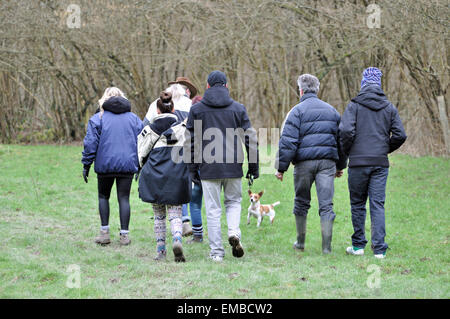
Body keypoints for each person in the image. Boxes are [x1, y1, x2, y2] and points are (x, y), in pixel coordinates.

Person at [186, 70, 259, 262]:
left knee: (212, 209)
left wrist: (192, 169)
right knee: (233, 202)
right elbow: (251, 138)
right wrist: (254, 167)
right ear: (226, 86)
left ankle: (217, 253)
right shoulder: (238, 108)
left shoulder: (197, 110)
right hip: (233, 166)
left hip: (208, 167)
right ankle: (234, 233)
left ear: (207, 87)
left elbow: (190, 142)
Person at [339, 67, 407, 259]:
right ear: (379, 84)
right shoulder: (389, 107)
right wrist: (384, 149)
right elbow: (400, 135)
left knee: (357, 203)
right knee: (377, 204)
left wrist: (349, 151)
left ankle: (358, 246)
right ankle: (379, 250)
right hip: (379, 163)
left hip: (358, 163)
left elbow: (345, 131)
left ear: (363, 84)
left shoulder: (354, 105)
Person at [275, 74, 347, 254]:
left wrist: (281, 168)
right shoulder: (332, 111)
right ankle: (327, 248)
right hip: (327, 163)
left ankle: (300, 243)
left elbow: (288, 141)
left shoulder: (296, 111)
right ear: (317, 89)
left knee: (301, 202)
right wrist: (340, 165)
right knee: (326, 205)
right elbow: (341, 141)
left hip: (303, 164)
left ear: (300, 90)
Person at [81, 87, 143, 246]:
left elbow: (90, 144)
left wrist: (86, 164)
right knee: (124, 198)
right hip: (127, 165)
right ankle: (124, 235)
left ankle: (104, 233)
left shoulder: (98, 118)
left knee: (103, 196)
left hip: (105, 165)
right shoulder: (134, 119)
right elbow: (142, 142)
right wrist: (140, 164)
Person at [137, 91, 191, 262]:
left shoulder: (148, 131)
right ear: (173, 109)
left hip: (154, 177)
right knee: (175, 213)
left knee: (159, 216)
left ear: (157, 111)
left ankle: (161, 251)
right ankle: (177, 239)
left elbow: (140, 157)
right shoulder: (183, 129)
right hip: (176, 176)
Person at [143, 77, 198, 237]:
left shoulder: (155, 104)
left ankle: (164, 227)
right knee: (182, 181)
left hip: (160, 151)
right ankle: (184, 221)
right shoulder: (190, 105)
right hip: (182, 150)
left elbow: (144, 128)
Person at [186, 95, 205, 244]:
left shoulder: (191, 124)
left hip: (197, 167)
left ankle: (198, 235)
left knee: (194, 202)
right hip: (213, 167)